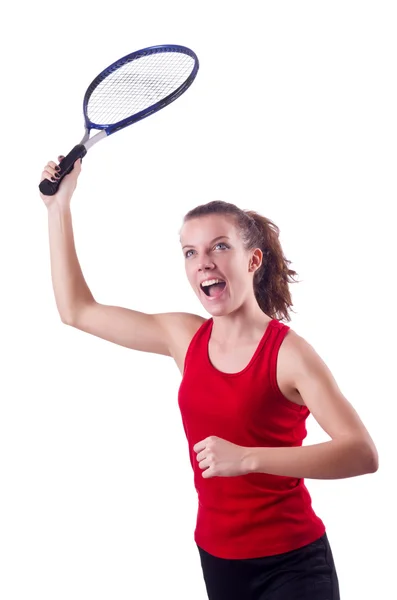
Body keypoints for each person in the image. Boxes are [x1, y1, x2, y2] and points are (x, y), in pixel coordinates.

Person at [40, 157, 378, 600]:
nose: (203, 263)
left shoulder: (290, 355)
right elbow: (77, 311)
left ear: (253, 259)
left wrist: (250, 458)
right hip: (218, 558)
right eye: (190, 252)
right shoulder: (183, 337)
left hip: (293, 562)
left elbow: (361, 453)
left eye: (219, 247)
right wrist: (58, 208)